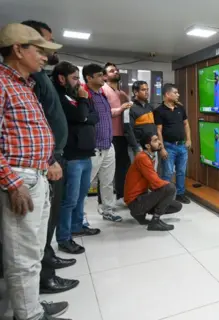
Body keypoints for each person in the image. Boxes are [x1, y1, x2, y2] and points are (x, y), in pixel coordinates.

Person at [0, 23, 69, 320]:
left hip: (37, 175)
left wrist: (48, 160)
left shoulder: (24, 84)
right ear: (18, 49)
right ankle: (28, 316)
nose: (44, 58)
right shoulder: (2, 83)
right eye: (39, 51)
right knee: (23, 256)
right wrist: (13, 182)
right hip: (19, 179)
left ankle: (32, 306)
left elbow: (31, 132)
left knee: (35, 249)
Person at [20, 19, 80, 296]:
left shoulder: (38, 78)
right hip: (38, 166)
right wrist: (51, 158)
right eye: (42, 45)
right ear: (21, 48)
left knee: (48, 221)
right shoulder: (23, 81)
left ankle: (48, 263)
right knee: (35, 232)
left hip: (51, 160)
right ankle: (44, 279)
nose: (46, 53)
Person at [53, 61, 101, 254]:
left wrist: (84, 112)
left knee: (81, 197)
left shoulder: (78, 96)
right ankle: (64, 238)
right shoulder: (61, 98)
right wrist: (83, 107)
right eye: (75, 78)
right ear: (62, 78)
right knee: (69, 200)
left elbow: (94, 116)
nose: (78, 83)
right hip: (72, 157)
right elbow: (81, 116)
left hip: (86, 154)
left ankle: (77, 226)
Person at [83, 63, 123, 222]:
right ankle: (80, 218)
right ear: (89, 77)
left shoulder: (101, 94)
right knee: (84, 185)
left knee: (107, 182)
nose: (103, 78)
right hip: (93, 148)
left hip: (108, 144)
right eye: (99, 75)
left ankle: (108, 210)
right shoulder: (85, 94)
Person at [124, 134, 183, 231]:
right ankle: (155, 221)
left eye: (158, 140)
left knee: (176, 206)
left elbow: (152, 184)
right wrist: (167, 190)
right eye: (155, 140)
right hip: (135, 202)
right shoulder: (142, 158)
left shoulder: (149, 157)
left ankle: (139, 214)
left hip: (141, 198)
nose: (159, 142)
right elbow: (155, 182)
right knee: (170, 188)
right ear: (147, 146)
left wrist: (163, 194)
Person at [154, 83, 192, 204]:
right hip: (168, 146)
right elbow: (158, 130)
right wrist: (162, 148)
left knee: (181, 171)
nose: (178, 94)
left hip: (182, 146)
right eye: (175, 93)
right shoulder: (159, 111)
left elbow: (186, 124)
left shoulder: (180, 108)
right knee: (168, 173)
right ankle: (166, 197)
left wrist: (189, 139)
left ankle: (180, 194)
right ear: (167, 94)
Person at [102, 62, 132, 202]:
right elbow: (103, 112)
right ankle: (103, 202)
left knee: (123, 167)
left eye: (117, 70)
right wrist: (120, 109)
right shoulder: (102, 91)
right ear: (104, 76)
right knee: (106, 171)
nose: (116, 72)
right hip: (109, 136)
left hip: (122, 136)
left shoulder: (121, 93)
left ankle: (121, 195)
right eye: (111, 71)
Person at [124, 80, 157, 162]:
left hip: (151, 146)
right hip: (138, 147)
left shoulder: (150, 107)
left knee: (151, 172)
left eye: (147, 89)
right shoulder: (129, 108)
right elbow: (128, 130)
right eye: (143, 90)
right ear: (135, 92)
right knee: (138, 173)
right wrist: (136, 147)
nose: (146, 92)